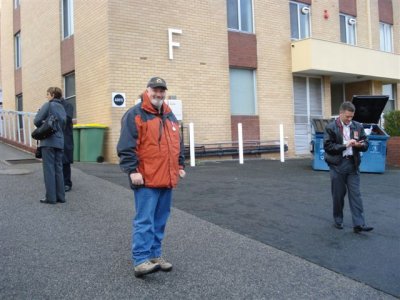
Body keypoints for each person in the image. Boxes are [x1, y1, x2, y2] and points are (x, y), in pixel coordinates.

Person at [117, 77, 185, 277]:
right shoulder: (135, 114)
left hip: (167, 177)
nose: (159, 94)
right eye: (155, 90)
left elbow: (177, 145)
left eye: (162, 91)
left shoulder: (170, 116)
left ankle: (155, 255)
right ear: (147, 91)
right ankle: (140, 260)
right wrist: (132, 171)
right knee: (144, 220)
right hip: (145, 178)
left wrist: (180, 165)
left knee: (160, 220)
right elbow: (126, 146)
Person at [323, 101, 373, 233]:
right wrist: (346, 145)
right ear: (340, 114)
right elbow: (328, 147)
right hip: (337, 165)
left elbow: (366, 144)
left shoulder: (357, 126)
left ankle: (359, 224)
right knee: (338, 195)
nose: (350, 119)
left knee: (356, 195)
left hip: (353, 164)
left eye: (352, 116)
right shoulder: (330, 127)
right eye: (347, 116)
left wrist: (360, 145)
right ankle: (338, 220)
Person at [34, 87, 67, 204]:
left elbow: (36, 120)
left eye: (48, 94)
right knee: (58, 169)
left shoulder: (48, 105)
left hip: (48, 142)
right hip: (59, 142)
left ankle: (51, 198)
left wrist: (42, 119)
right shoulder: (63, 107)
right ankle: (61, 197)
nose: (47, 96)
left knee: (49, 169)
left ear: (53, 95)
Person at [60, 96, 74, 192]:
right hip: (56, 136)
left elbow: (67, 118)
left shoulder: (67, 105)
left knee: (65, 161)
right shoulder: (51, 106)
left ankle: (67, 183)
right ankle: (60, 182)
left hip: (65, 136)